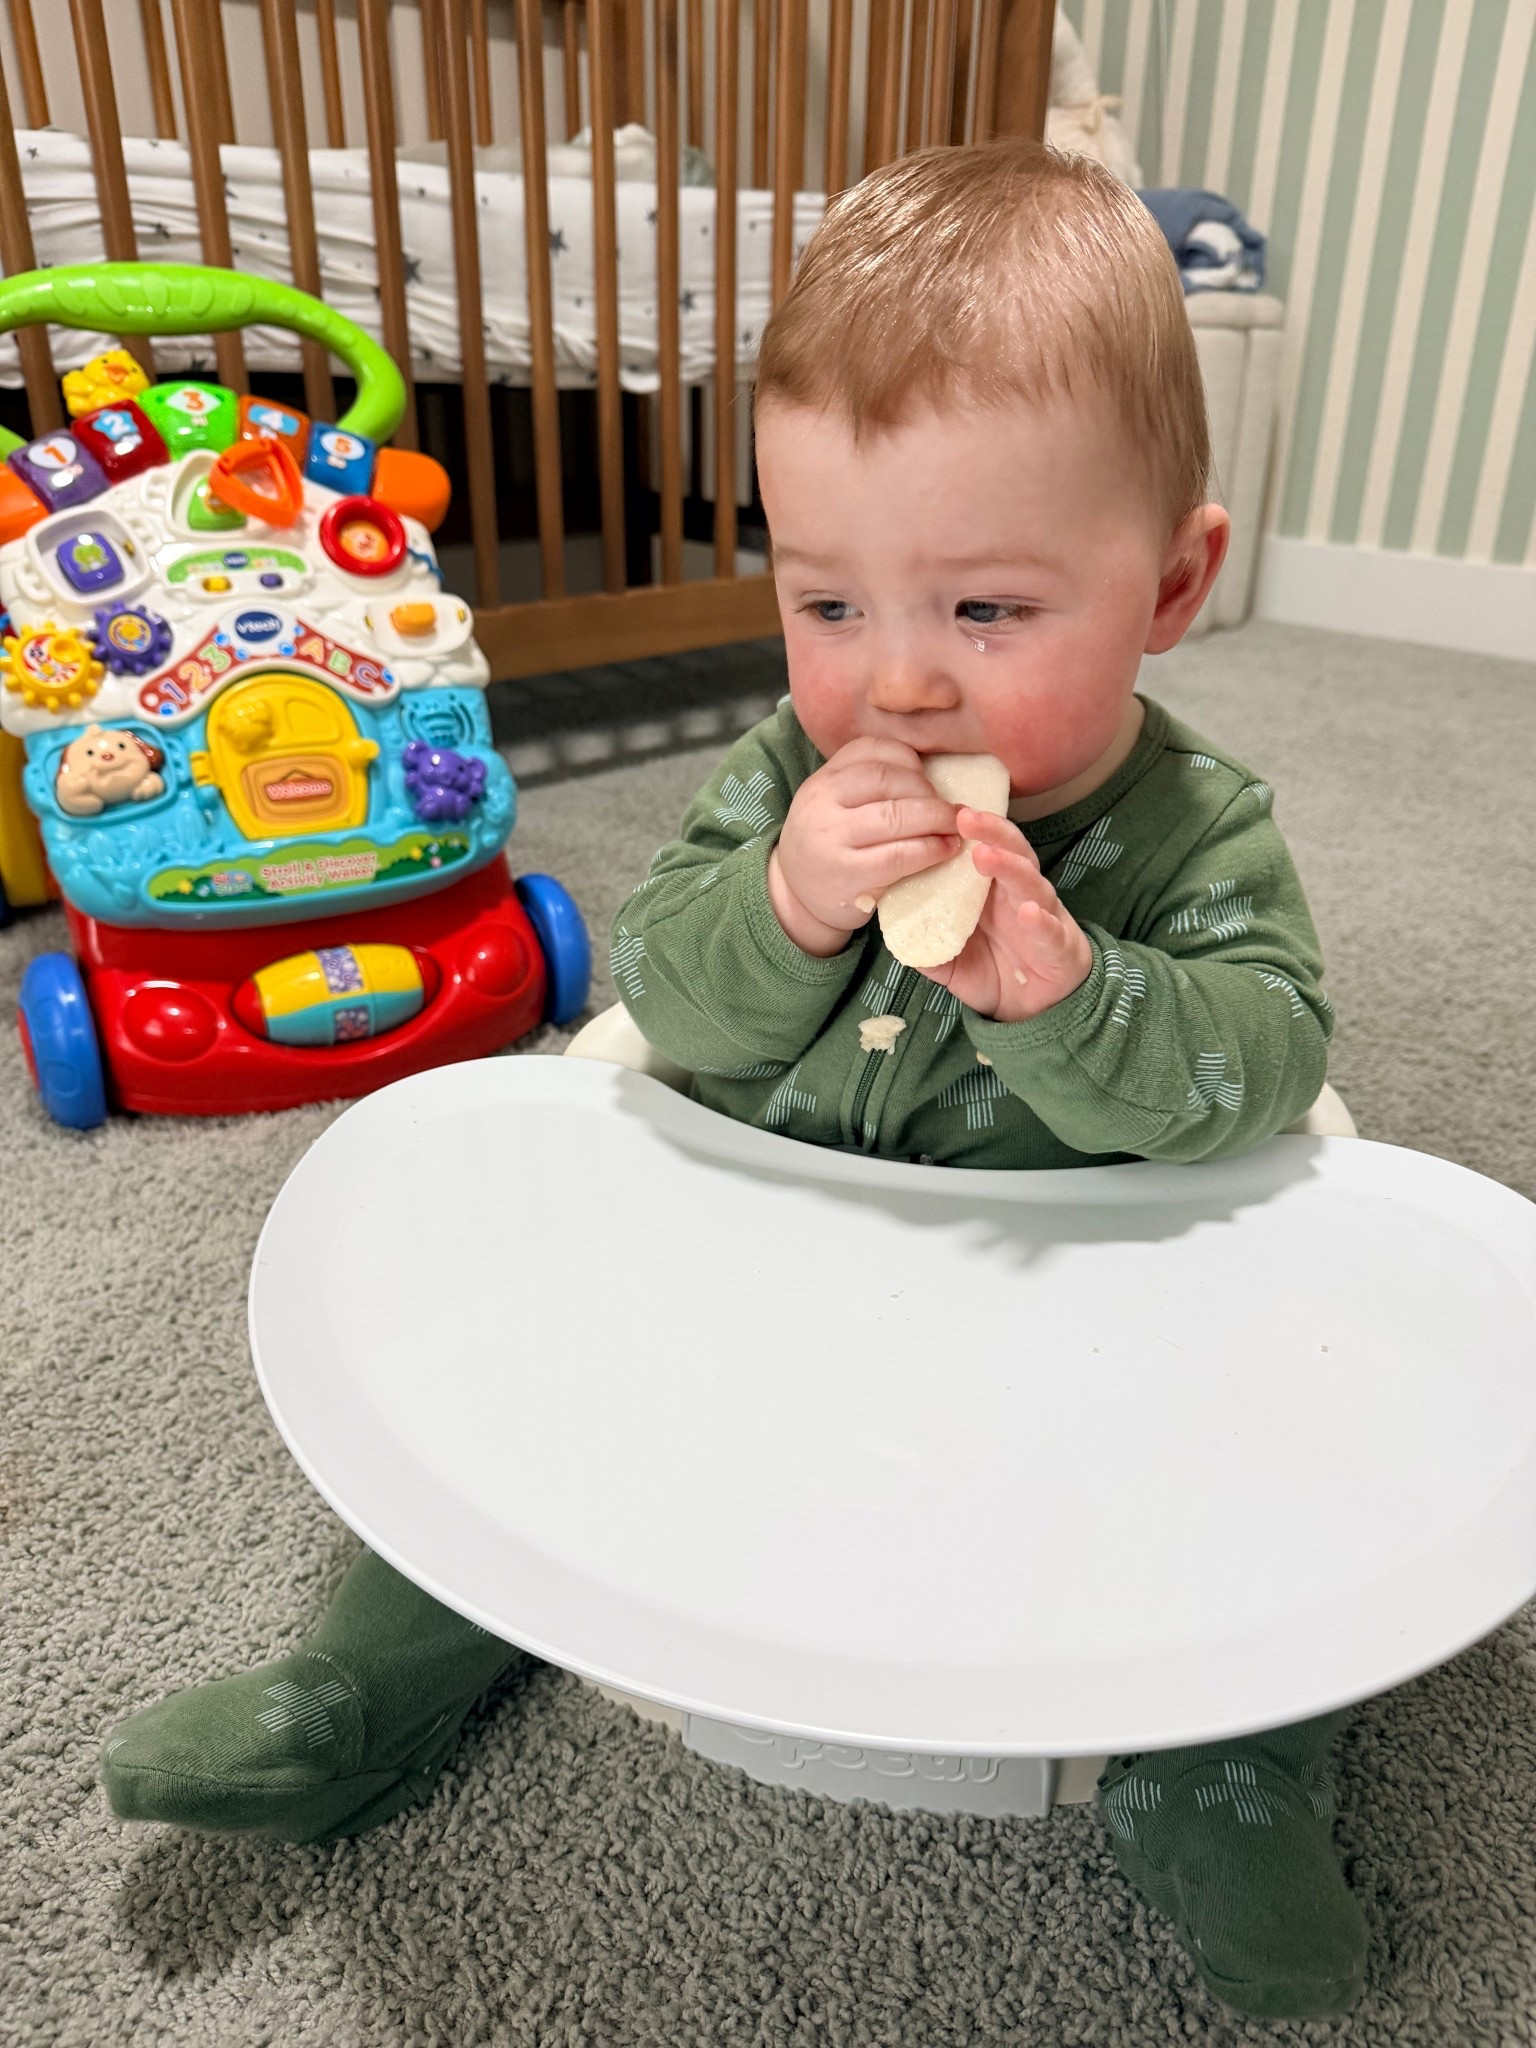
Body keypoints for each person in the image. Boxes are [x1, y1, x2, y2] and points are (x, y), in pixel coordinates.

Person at [100, 140, 1361, 2021]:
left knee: (1293, 1461)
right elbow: (675, 1003)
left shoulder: (1201, 834)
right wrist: (780, 904)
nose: (897, 689)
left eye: (987, 614)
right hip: (767, 1294)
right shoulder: (786, 776)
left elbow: (1264, 1075)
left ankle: (1231, 1760)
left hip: (1081, 1334)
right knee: (516, 1401)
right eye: (830, 603)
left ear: (1172, 583)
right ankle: (369, 1680)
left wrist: (1073, 997)